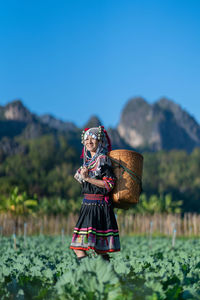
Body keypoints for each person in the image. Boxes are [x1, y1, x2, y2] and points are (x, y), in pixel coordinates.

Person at [70, 126, 120, 261]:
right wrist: (83, 179)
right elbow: (90, 185)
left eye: (93, 138)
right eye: (87, 139)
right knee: (79, 247)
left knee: (98, 248)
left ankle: (103, 276)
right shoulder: (88, 163)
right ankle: (91, 274)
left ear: (100, 141)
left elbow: (109, 184)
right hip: (87, 206)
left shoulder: (103, 160)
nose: (89, 141)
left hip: (99, 207)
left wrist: (87, 178)